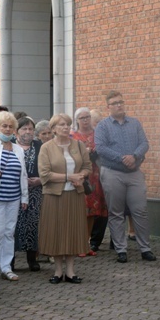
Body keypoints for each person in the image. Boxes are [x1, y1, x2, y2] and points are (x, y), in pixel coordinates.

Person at [94, 91, 156, 263]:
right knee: (116, 213)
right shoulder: (103, 126)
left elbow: (144, 143)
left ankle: (145, 248)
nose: (119, 105)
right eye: (114, 103)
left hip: (134, 173)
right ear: (108, 107)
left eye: (121, 102)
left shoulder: (135, 123)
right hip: (113, 173)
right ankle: (121, 249)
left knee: (140, 211)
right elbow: (100, 148)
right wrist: (122, 158)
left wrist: (134, 156)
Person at [38, 114, 91, 283]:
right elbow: (45, 174)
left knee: (72, 231)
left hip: (75, 194)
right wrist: (70, 177)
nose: (66, 127)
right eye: (61, 125)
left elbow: (87, 166)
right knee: (56, 232)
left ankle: (70, 271)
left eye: (68, 124)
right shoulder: (46, 148)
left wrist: (81, 175)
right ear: (53, 129)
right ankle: (57, 271)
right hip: (54, 196)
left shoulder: (78, 145)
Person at [0, 112, 28, 281]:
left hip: (14, 197)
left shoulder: (18, 149)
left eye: (11, 126)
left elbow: (23, 175)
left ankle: (6, 267)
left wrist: (24, 197)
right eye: (4, 126)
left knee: (9, 233)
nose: (7, 129)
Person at [71, 107, 107, 256]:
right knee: (81, 211)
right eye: (82, 118)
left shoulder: (98, 134)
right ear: (77, 120)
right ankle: (79, 243)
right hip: (79, 176)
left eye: (87, 117)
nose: (85, 120)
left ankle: (88, 244)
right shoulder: (72, 136)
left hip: (97, 176)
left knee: (94, 211)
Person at [14, 117, 43, 271]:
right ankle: (9, 261)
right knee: (14, 225)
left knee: (32, 224)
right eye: (24, 128)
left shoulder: (40, 146)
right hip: (14, 191)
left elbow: (47, 166)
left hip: (35, 191)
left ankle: (32, 259)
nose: (27, 131)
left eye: (30, 129)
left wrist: (41, 180)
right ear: (17, 131)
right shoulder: (10, 146)